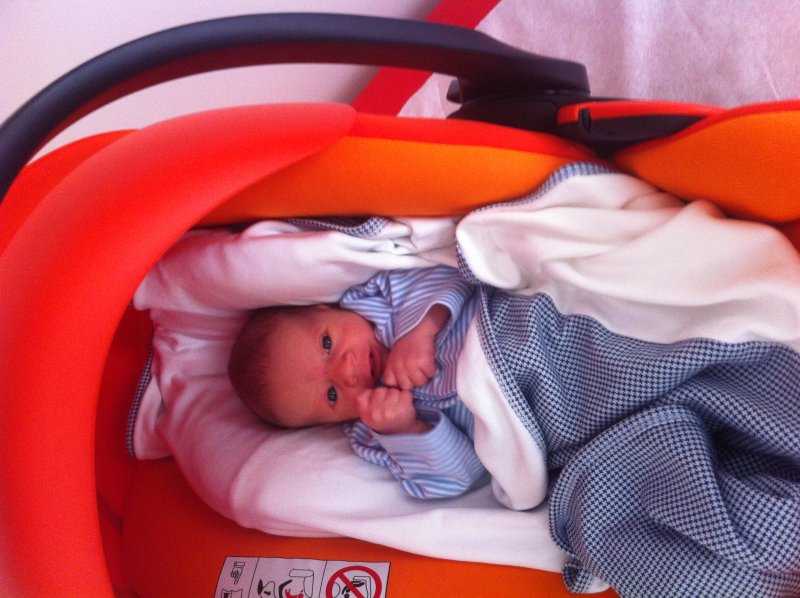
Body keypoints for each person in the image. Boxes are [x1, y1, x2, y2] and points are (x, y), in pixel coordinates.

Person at [228, 264, 487, 499]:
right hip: (507, 411)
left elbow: (452, 273)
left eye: (327, 343)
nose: (347, 371)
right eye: (332, 395)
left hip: (500, 325)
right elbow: (459, 477)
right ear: (331, 422)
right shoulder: (372, 436)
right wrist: (406, 428)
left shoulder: (378, 298)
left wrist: (421, 330)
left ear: (323, 308)